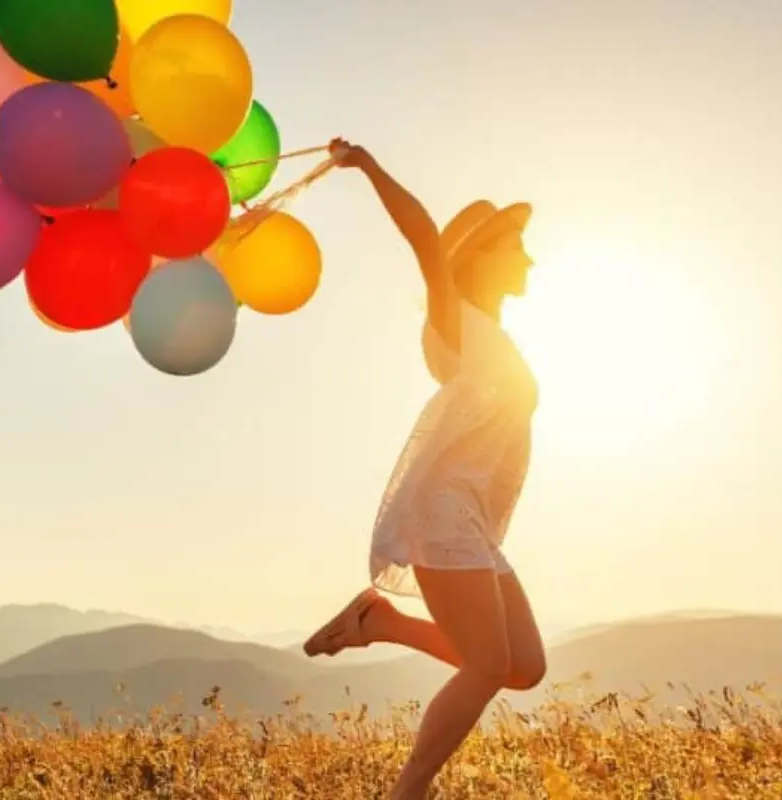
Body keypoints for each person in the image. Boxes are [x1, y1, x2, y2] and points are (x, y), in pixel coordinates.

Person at [303, 138, 546, 799]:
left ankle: (380, 623)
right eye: (513, 244)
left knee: (523, 666)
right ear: (481, 257)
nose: (528, 255)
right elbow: (424, 240)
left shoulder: (496, 335)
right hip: (440, 513)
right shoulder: (456, 319)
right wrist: (371, 168)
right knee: (488, 664)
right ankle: (409, 790)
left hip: (473, 521)